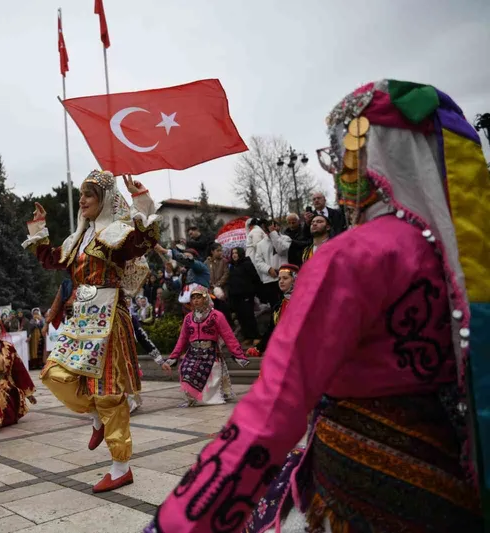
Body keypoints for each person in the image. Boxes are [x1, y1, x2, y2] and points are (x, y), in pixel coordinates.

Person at [148, 79, 487, 533]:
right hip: (455, 483)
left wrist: (177, 522)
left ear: (361, 159)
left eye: (338, 155)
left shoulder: (352, 256)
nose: (336, 175)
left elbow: (274, 407)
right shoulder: (466, 259)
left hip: (359, 490)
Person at [23, 171, 160, 493]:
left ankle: (120, 466)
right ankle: (95, 415)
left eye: (89, 195)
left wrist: (142, 201)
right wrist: (38, 228)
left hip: (110, 317)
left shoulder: (117, 235)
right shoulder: (78, 238)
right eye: (82, 195)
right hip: (82, 318)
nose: (82, 200)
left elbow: (143, 242)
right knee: (54, 375)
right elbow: (51, 259)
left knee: (109, 392)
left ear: (105, 201)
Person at [162, 287, 249, 406]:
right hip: (193, 353)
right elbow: (182, 339)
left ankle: (207, 398)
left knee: (210, 370)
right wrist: (173, 357)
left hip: (211, 353)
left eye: (199, 297)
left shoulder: (216, 316)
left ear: (206, 298)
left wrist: (238, 355)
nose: (196, 301)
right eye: (193, 298)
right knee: (185, 369)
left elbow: (229, 336)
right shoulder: (188, 318)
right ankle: (194, 397)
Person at [0, 316, 37, 430]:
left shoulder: (9, 347)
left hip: (8, 384)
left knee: (10, 415)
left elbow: (19, 369)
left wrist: (29, 394)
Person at [226, 247, 262, 345]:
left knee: (249, 315)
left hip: (246, 294)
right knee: (241, 317)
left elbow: (255, 278)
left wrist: (253, 292)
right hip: (235, 296)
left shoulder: (247, 264)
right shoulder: (232, 266)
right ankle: (247, 336)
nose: (234, 255)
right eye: (233, 253)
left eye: (236, 253)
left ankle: (256, 336)